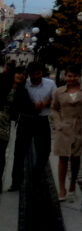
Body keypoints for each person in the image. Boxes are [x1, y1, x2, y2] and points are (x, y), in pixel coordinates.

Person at [9, 61, 56, 190]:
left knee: (45, 151)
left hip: (42, 121)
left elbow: (56, 100)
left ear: (42, 73)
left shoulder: (50, 84)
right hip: (26, 120)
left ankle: (35, 177)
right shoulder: (24, 84)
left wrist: (46, 103)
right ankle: (16, 182)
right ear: (29, 74)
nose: (36, 77)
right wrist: (40, 104)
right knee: (19, 153)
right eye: (33, 74)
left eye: (38, 74)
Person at [51, 67, 82, 201]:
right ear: (65, 77)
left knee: (76, 158)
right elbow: (54, 109)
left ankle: (72, 185)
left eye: (74, 76)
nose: (71, 79)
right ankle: (62, 188)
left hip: (79, 127)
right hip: (64, 128)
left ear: (79, 77)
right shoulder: (59, 92)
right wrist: (58, 124)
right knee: (63, 158)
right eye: (69, 76)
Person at [0, 64, 24, 190]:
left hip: (5, 124)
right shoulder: (3, 84)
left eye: (22, 74)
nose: (20, 75)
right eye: (18, 73)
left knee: (1, 152)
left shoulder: (22, 91)